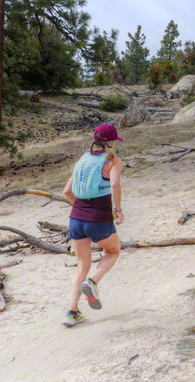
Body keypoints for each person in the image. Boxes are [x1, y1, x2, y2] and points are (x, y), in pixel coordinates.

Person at [61, 123, 125, 327]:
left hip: (76, 218)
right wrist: (118, 210)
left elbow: (67, 191)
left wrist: (81, 210)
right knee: (113, 251)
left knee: (82, 266)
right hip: (98, 217)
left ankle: (71, 313)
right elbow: (114, 184)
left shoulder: (83, 159)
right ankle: (93, 282)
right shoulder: (113, 161)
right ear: (111, 142)